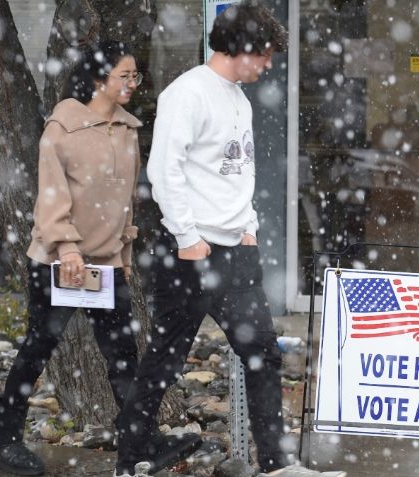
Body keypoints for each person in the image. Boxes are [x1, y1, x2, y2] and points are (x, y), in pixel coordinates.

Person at [0, 41, 199, 476]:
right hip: (59, 264)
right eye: (125, 77)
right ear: (100, 79)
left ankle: (140, 442)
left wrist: (122, 254)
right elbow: (51, 195)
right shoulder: (62, 129)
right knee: (38, 349)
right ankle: (4, 440)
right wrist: (66, 249)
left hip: (103, 265)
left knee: (123, 355)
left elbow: (123, 201)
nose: (133, 85)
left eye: (135, 76)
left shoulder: (126, 129)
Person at [113, 2, 301, 475]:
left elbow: (240, 172)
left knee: (262, 354)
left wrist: (250, 229)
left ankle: (277, 465)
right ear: (243, 49)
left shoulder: (239, 98)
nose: (269, 65)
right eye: (266, 55)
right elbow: (163, 169)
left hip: (237, 251)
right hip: (190, 253)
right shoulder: (189, 92)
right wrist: (187, 237)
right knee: (165, 359)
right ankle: (129, 459)